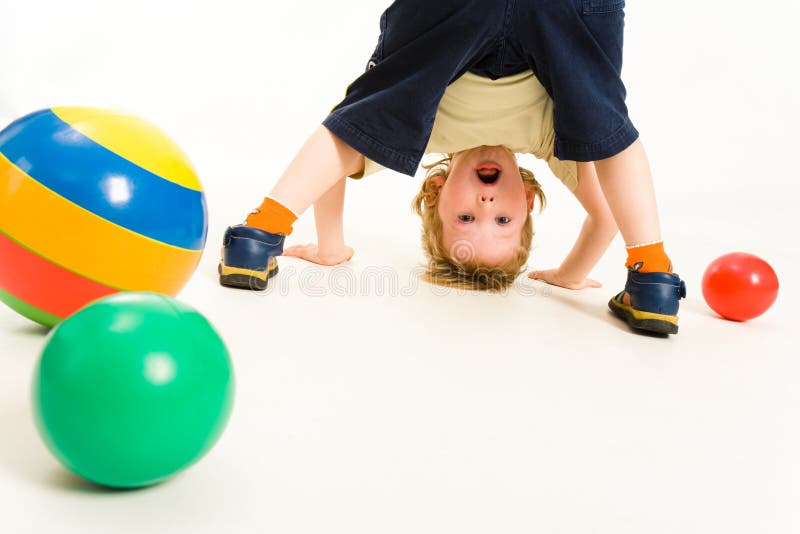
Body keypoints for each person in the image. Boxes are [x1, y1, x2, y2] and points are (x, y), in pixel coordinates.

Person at [218, 0, 686, 334]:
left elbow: (342, 148)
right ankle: (651, 274)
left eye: (466, 219)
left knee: (360, 122)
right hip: (566, 11)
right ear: (527, 201)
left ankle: (261, 232)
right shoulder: (551, 140)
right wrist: (568, 273)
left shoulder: (426, 132)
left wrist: (331, 247)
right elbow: (606, 215)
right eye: (501, 220)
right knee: (607, 132)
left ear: (435, 191)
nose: (485, 204)